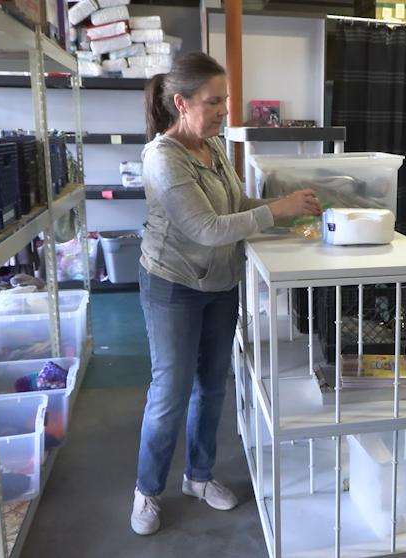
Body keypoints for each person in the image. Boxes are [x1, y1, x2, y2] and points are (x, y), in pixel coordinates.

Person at [132, 52, 321, 536]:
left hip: (219, 283)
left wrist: (291, 209)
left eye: (226, 100)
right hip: (173, 284)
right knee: (170, 393)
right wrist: (277, 211)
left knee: (212, 384)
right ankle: (147, 490)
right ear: (181, 103)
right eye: (213, 102)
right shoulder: (162, 157)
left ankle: (199, 476)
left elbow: (237, 206)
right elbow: (207, 228)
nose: (223, 111)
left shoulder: (213, 148)